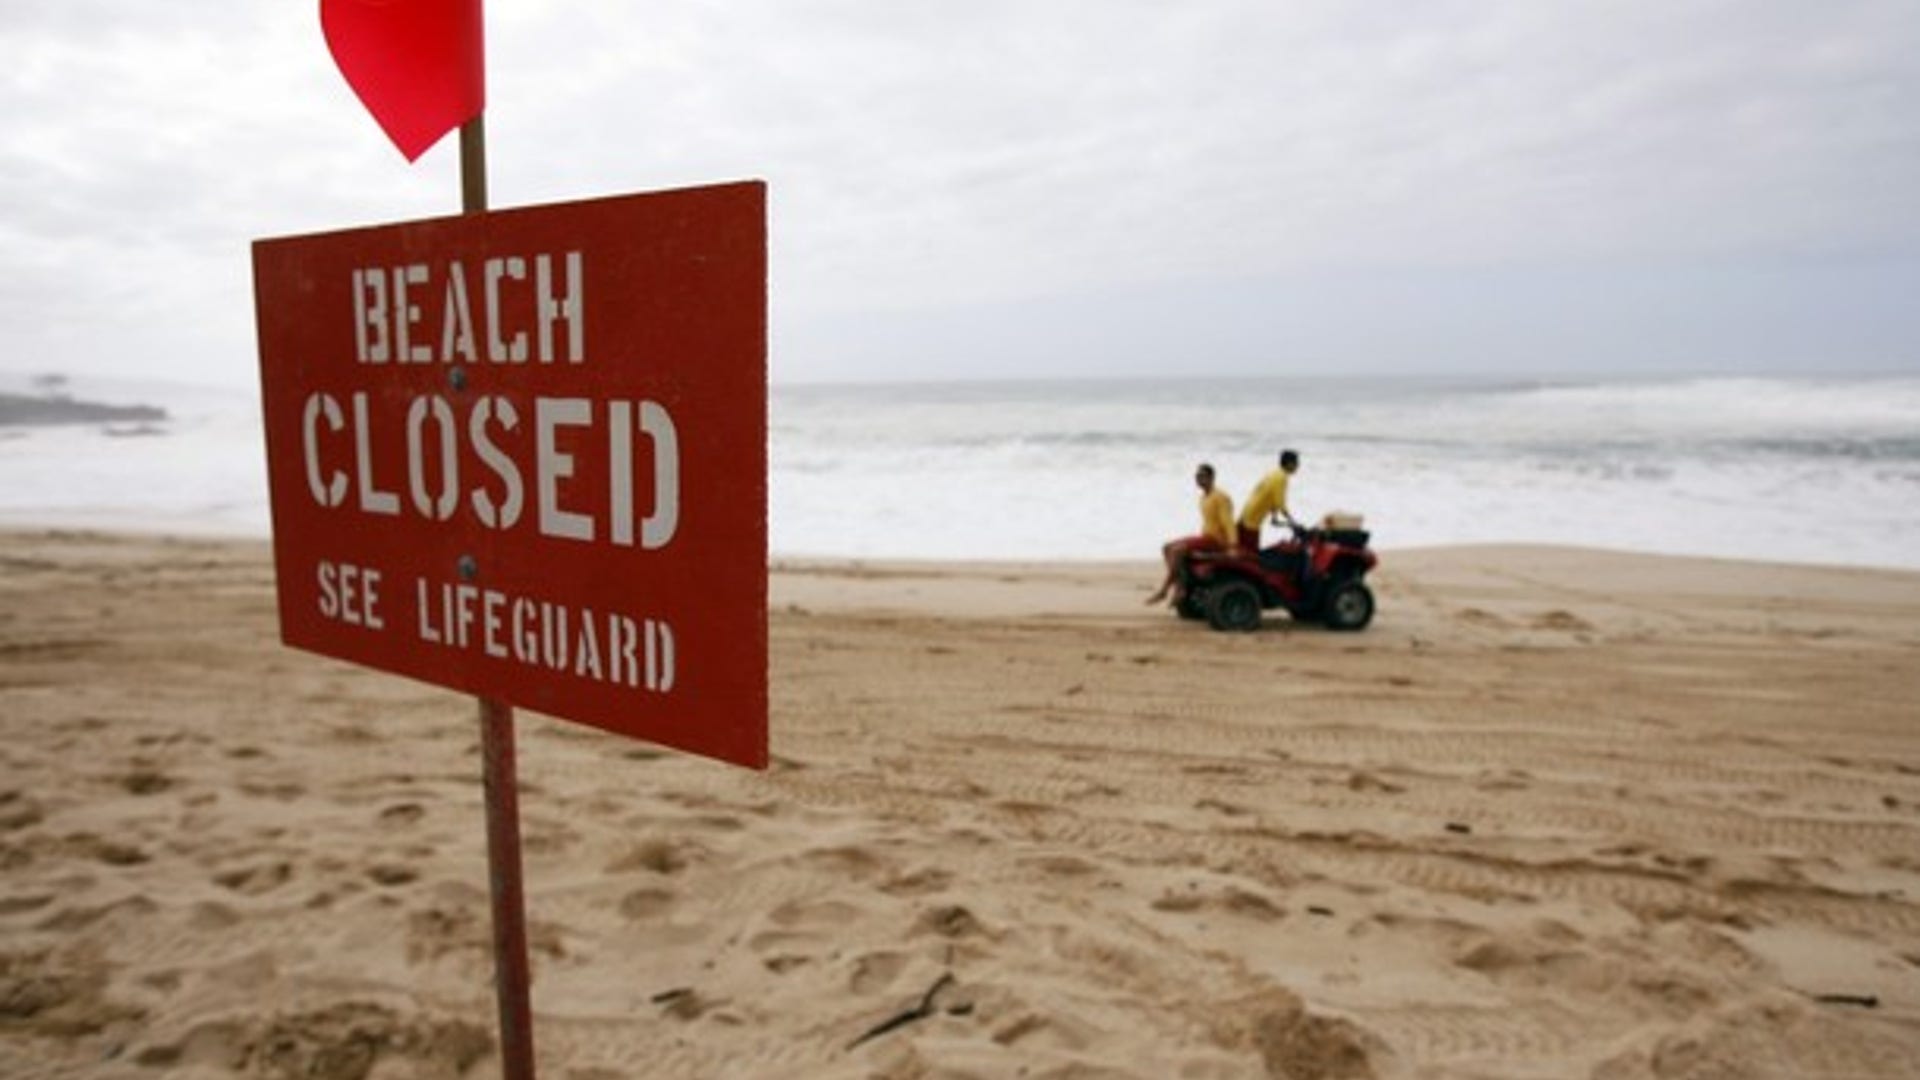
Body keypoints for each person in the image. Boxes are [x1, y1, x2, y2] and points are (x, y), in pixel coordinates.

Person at [1146, 463, 1234, 605]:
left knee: (1177, 550)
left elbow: (1228, 523)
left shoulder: (1220, 497)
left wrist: (1232, 546)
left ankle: (1168, 590)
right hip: (1206, 538)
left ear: (1212, 478)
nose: (1198, 479)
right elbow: (1208, 523)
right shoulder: (1204, 497)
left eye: (1202, 476)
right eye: (1197, 477)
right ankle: (1179, 586)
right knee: (1167, 547)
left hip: (1217, 541)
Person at [1235, 449, 1300, 553]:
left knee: (1241, 551)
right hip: (1253, 520)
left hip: (1246, 514)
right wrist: (1293, 521)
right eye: (1297, 463)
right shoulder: (1282, 478)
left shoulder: (1274, 473)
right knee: (1250, 555)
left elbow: (1272, 497)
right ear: (1289, 464)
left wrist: (1274, 516)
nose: (1298, 467)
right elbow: (1280, 504)